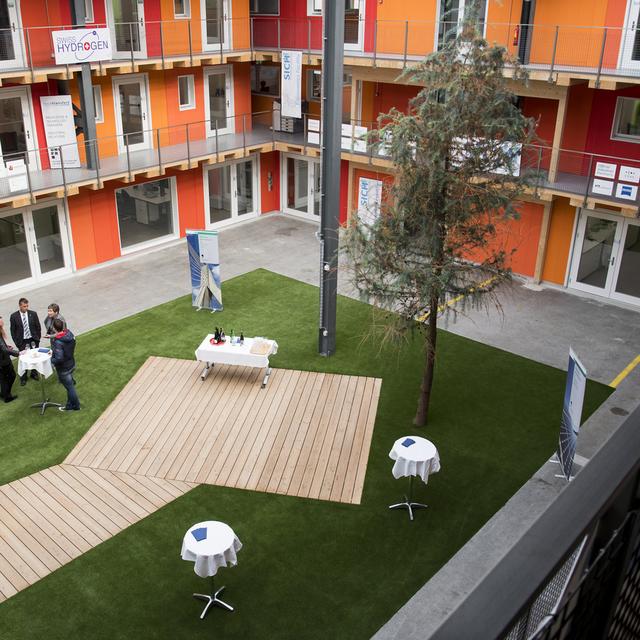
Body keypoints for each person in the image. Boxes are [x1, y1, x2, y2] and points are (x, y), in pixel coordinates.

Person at [50, 318, 80, 412]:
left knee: (70, 388)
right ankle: (69, 405)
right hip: (71, 363)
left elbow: (59, 358)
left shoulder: (58, 342)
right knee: (69, 386)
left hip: (64, 368)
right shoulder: (69, 334)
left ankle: (76, 406)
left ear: (54, 329)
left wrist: (51, 359)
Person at [9, 297, 41, 386]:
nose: (26, 308)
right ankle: (23, 377)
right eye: (24, 306)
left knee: (34, 357)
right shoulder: (14, 316)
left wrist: (37, 338)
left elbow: (38, 327)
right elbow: (13, 331)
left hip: (33, 340)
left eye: (27, 306)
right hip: (22, 341)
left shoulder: (33, 314)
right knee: (24, 360)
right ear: (20, 306)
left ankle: (34, 374)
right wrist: (17, 343)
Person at [0, 315, 19, 403]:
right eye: (0, 320)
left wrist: (6, 346)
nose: (2, 321)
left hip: (2, 359)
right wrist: (18, 353)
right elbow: (3, 349)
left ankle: (4, 393)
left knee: (3, 378)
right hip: (3, 361)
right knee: (11, 376)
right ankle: (7, 396)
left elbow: (2, 347)